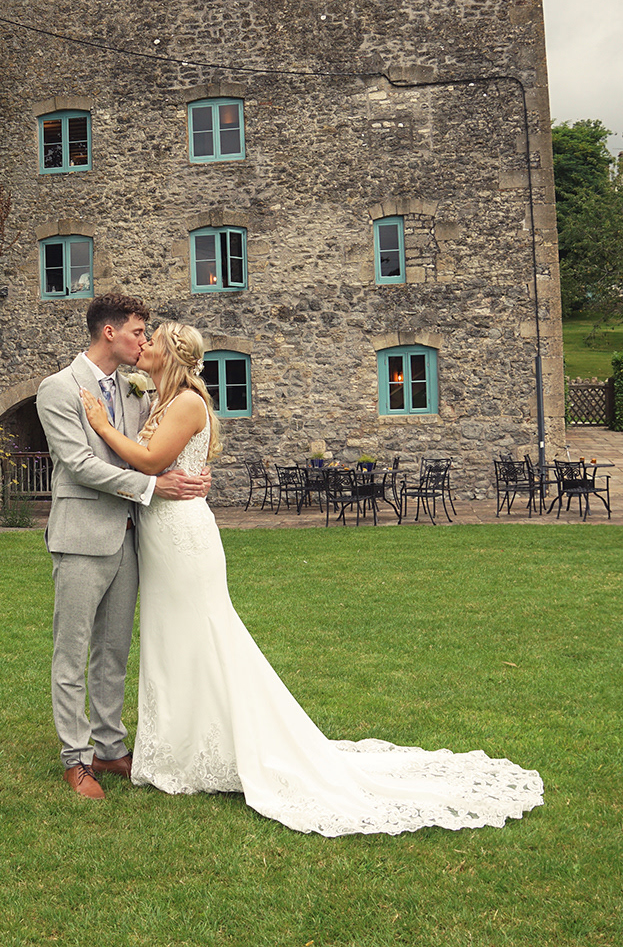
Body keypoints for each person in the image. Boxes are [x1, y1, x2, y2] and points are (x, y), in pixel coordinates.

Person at [78, 320, 544, 836]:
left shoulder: (187, 402)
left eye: (152, 340)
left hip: (183, 536)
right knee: (173, 639)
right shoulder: (159, 400)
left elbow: (150, 459)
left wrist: (101, 424)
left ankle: (217, 746)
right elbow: (156, 463)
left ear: (170, 353)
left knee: (204, 634)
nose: (143, 346)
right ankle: (180, 745)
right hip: (160, 533)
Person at [37, 293, 211, 800]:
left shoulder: (137, 391)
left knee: (114, 651)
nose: (145, 339)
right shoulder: (59, 388)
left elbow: (150, 452)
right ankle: (76, 758)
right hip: (81, 537)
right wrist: (154, 487)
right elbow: (78, 464)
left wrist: (188, 473)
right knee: (72, 650)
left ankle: (111, 748)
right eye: (139, 331)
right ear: (109, 332)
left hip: (133, 537)